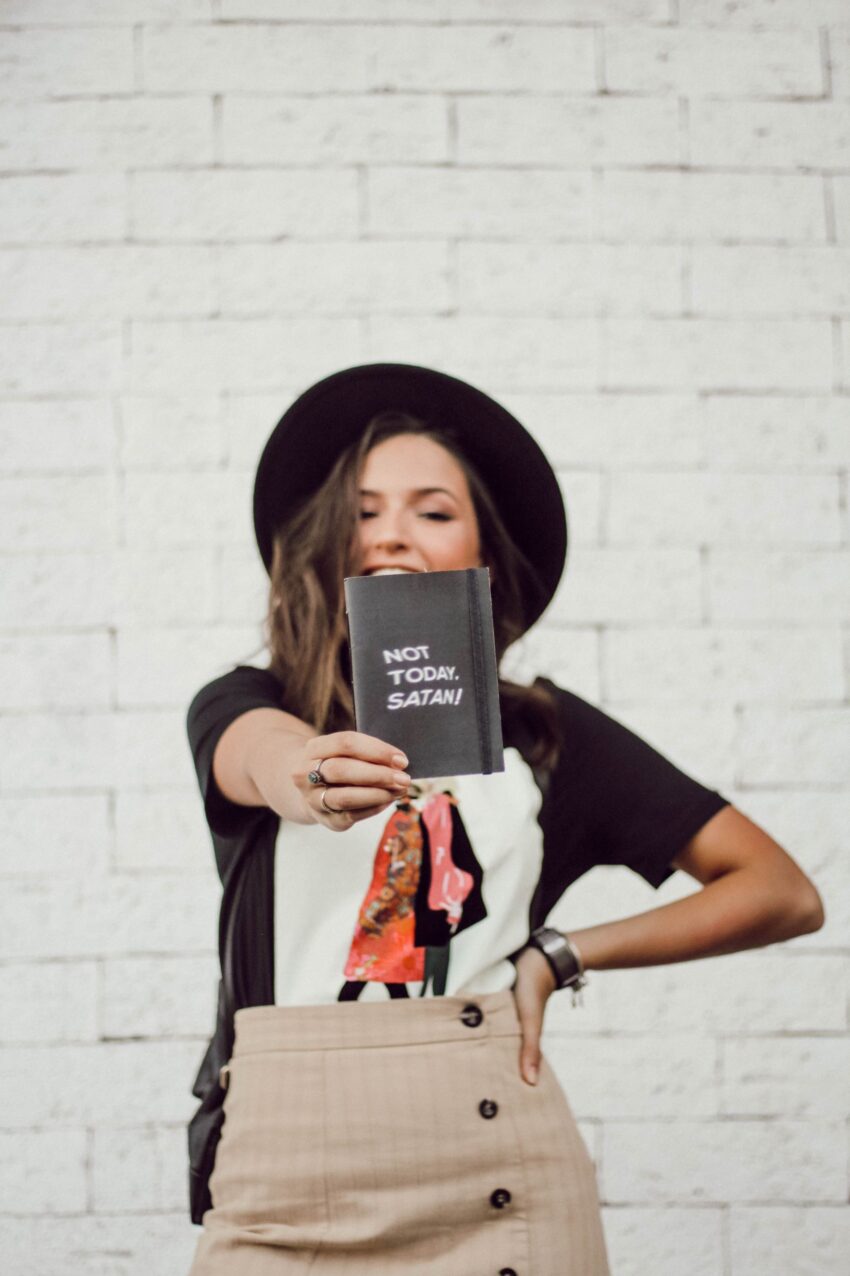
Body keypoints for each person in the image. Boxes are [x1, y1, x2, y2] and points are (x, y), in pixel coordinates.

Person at [185, 363, 824, 1276]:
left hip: (498, 1167)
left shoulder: (542, 737)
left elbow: (783, 894)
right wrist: (312, 773)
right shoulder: (251, 701)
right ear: (325, 542)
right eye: (363, 511)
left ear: (481, 557)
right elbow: (260, 756)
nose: (393, 533)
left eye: (432, 511)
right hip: (281, 1179)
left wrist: (560, 955)